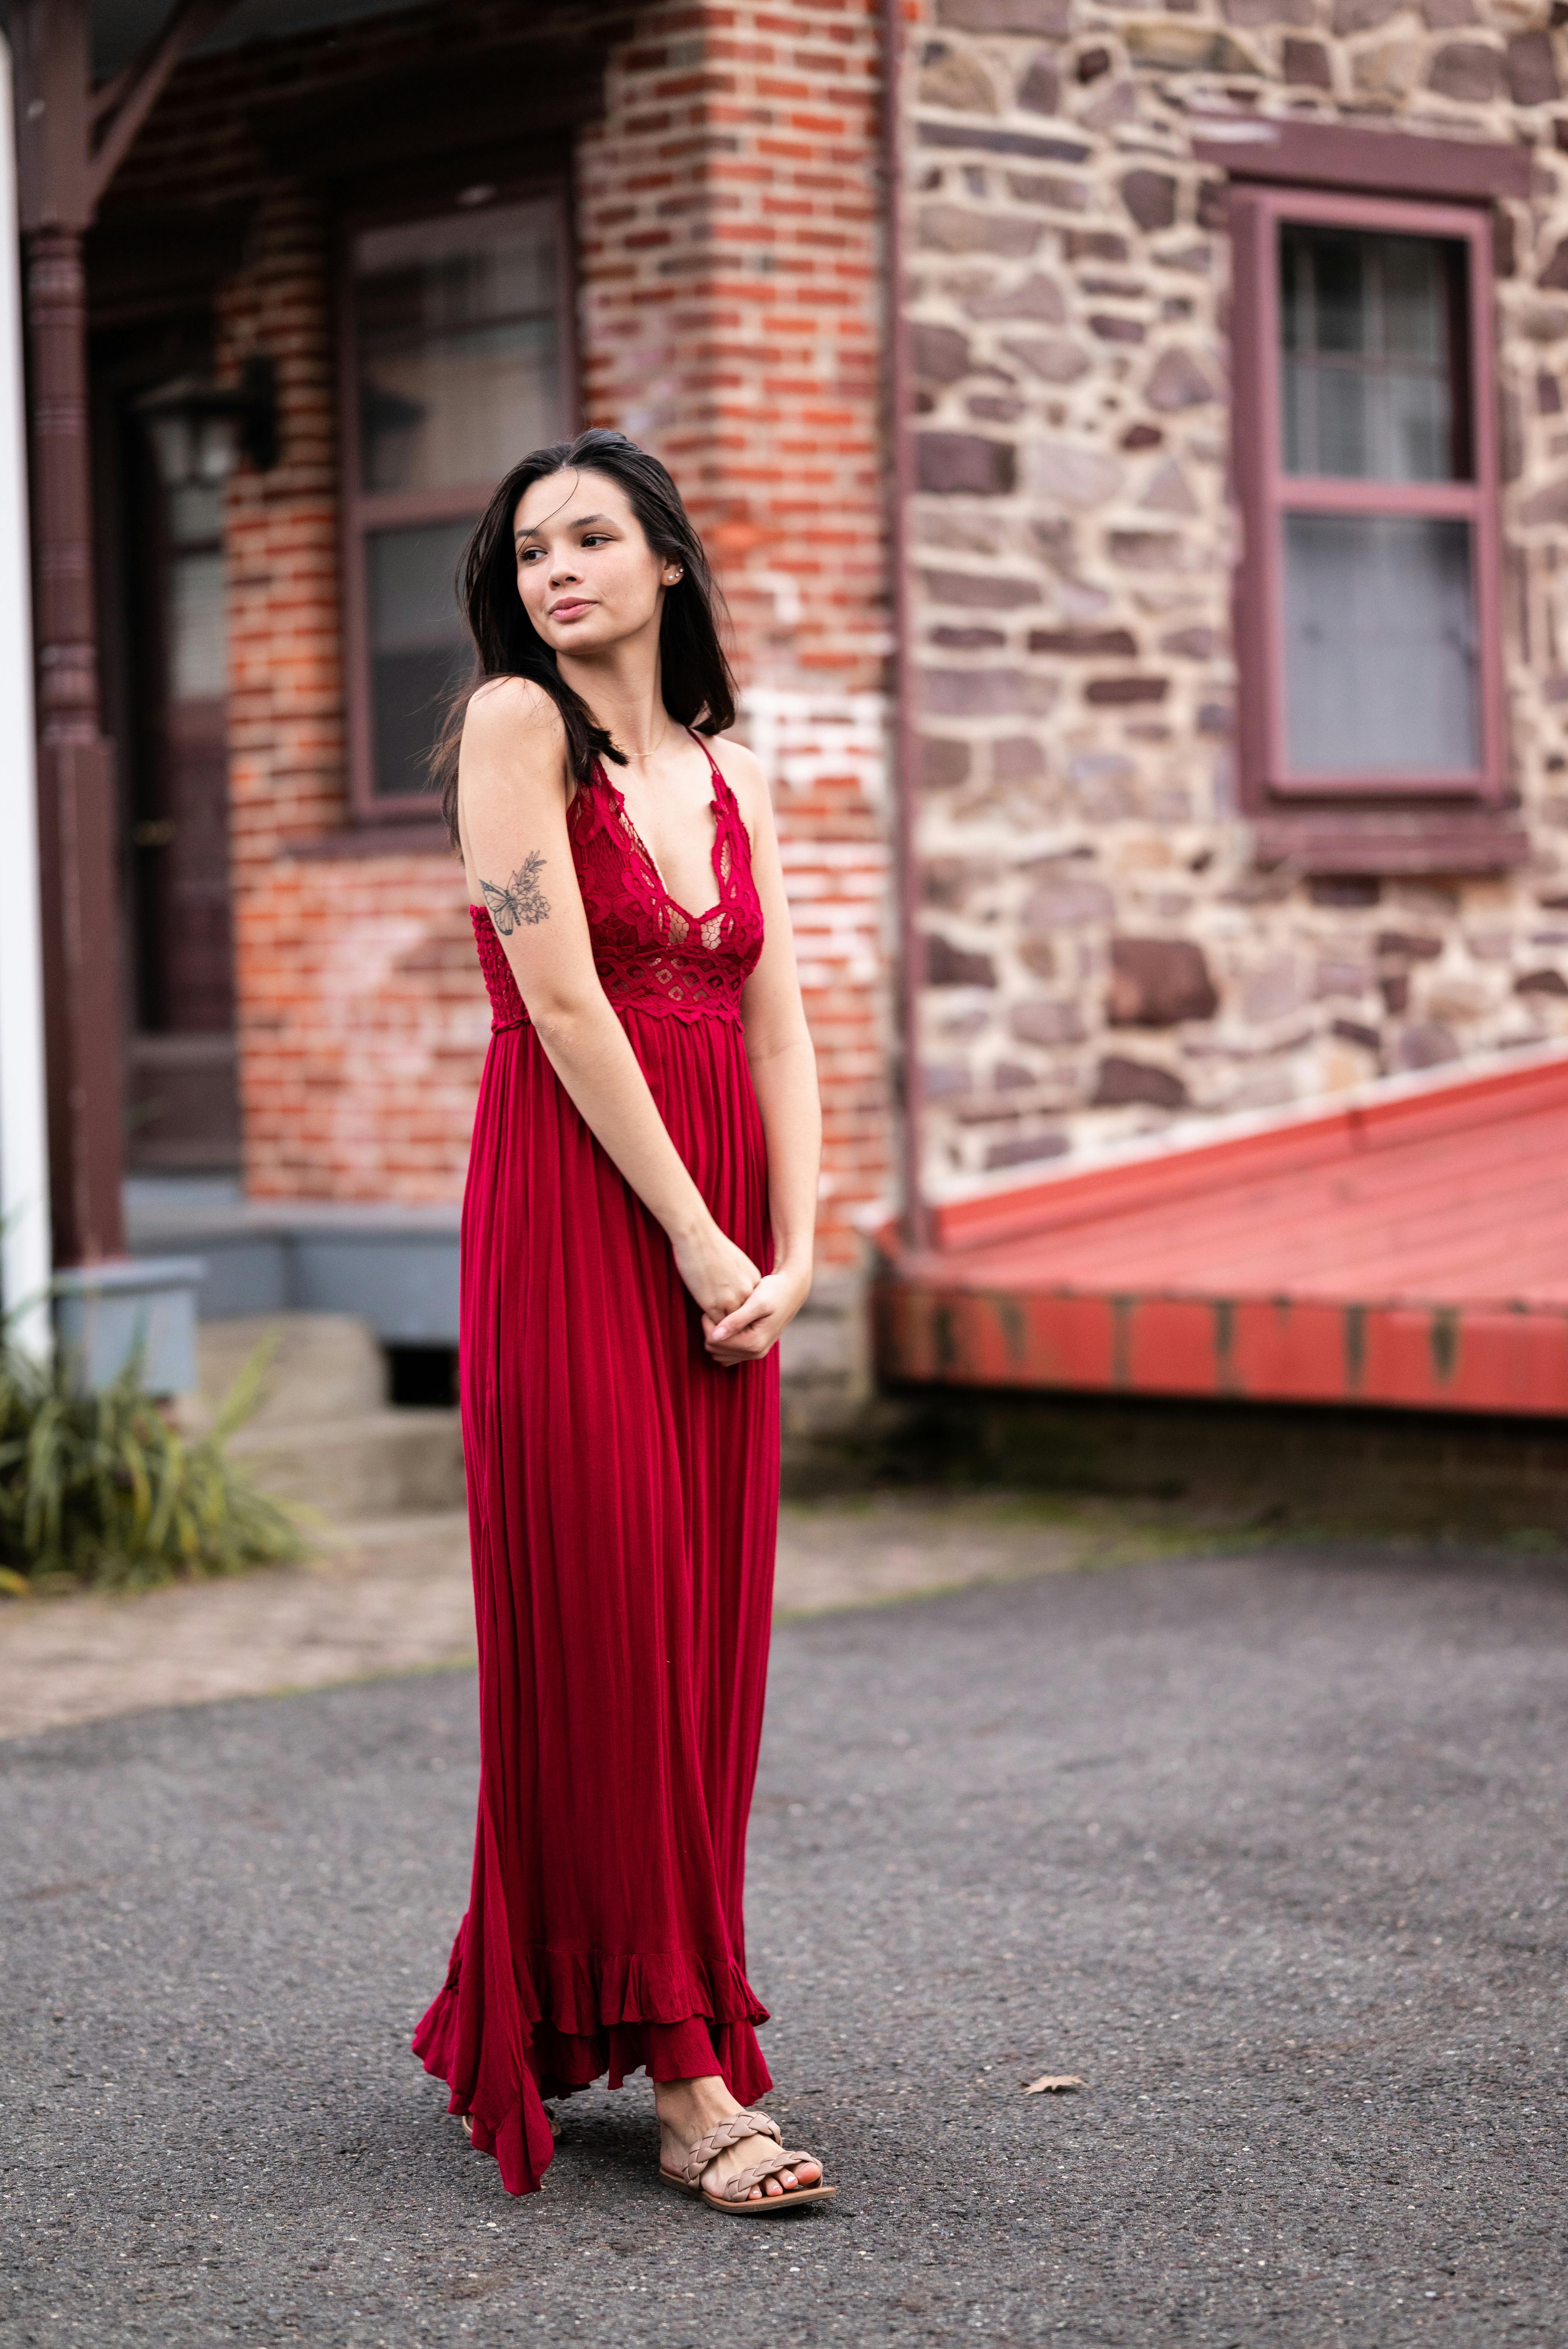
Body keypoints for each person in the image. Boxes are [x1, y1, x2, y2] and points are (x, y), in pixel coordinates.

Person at [413, 430, 833, 2216]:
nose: (555, 571)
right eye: (528, 551)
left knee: (702, 1643)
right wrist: (690, 1232)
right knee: (615, 1620)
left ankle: (586, 1996)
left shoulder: (730, 767)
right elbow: (565, 998)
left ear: (666, 560)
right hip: (583, 1217)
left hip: (719, 1237)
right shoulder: (518, 729)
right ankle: (684, 2075)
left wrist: (795, 1248)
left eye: (591, 538)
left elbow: (778, 1023)